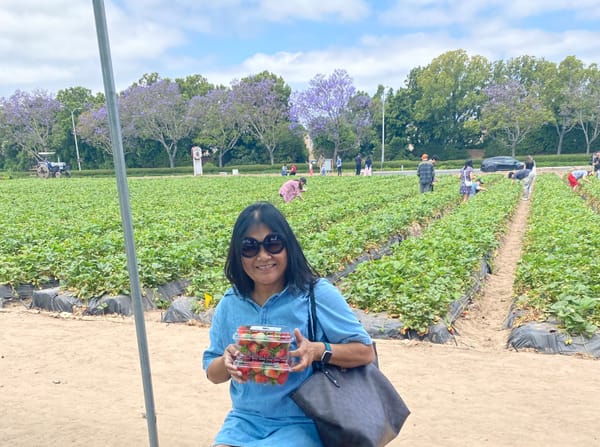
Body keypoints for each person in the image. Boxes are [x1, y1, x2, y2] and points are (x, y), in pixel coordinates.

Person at [203, 202, 375, 447]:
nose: (263, 256)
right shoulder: (231, 303)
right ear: (238, 255)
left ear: (288, 247)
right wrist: (226, 362)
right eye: (249, 247)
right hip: (244, 421)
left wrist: (317, 350)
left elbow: (365, 351)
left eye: (273, 244)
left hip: (304, 421)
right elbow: (212, 374)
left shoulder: (316, 294)